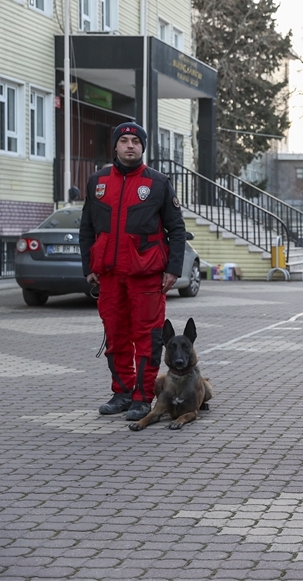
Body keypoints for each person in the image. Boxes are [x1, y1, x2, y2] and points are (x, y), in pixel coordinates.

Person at [80, 122, 186, 421]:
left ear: (142, 147)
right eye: (123, 140)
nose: (129, 145)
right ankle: (122, 392)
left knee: (148, 338)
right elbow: (87, 228)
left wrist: (173, 270)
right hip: (110, 276)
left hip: (147, 275)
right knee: (115, 335)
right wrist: (89, 268)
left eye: (135, 141)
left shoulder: (159, 183)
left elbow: (176, 230)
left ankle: (142, 397)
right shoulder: (97, 181)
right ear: (115, 146)